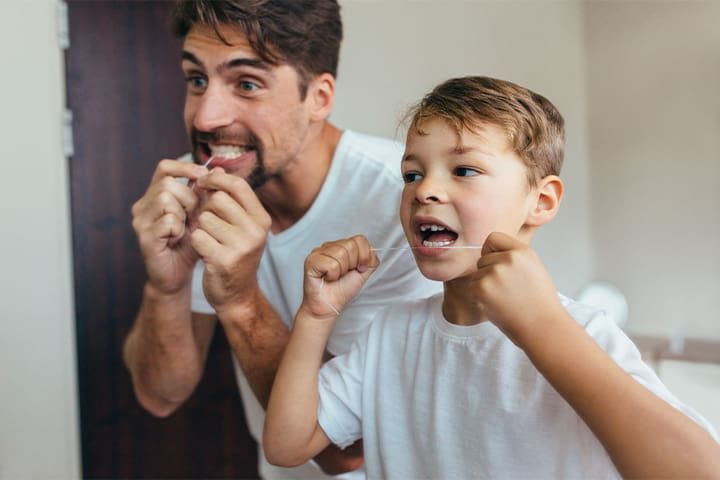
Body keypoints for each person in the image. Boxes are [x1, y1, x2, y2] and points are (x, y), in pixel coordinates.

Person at [263, 76, 720, 479]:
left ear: (541, 202)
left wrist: (542, 327)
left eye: (464, 170)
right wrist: (316, 315)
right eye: (411, 174)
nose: (425, 189)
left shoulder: (581, 332)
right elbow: (287, 445)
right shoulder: (388, 334)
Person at [122, 1, 440, 478]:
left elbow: (346, 450)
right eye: (196, 80)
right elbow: (160, 395)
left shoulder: (408, 206)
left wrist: (241, 301)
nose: (206, 118)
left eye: (247, 83)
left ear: (319, 97)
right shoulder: (198, 195)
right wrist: (165, 285)